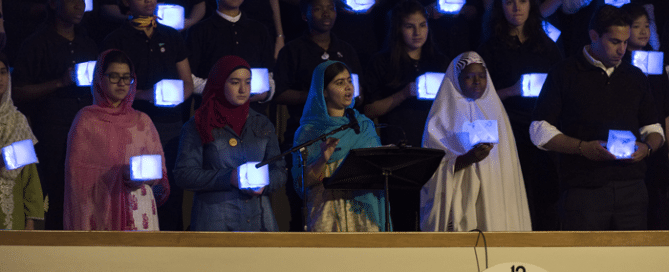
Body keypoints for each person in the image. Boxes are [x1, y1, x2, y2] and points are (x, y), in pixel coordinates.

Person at [530, 5, 664, 231]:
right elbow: (539, 130)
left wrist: (647, 148)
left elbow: (654, 128)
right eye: (614, 41)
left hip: (632, 188)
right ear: (594, 36)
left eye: (625, 41)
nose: (622, 49)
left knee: (633, 264)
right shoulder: (564, 72)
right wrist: (582, 147)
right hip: (583, 189)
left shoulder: (635, 76)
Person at [102, 0, 194, 231]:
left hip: (170, 126)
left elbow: (188, 84)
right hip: (131, 125)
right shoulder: (116, 39)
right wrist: (143, 95)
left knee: (171, 193)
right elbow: (107, 85)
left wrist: (175, 95)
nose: (149, 1)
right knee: (135, 192)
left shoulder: (171, 35)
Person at [273, 0, 363, 231]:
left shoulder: (348, 49)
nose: (326, 13)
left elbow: (358, 93)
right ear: (305, 15)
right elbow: (280, 93)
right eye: (318, 8)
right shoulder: (292, 51)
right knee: (302, 211)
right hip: (305, 133)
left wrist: (340, 95)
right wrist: (318, 96)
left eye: (331, 8)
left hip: (346, 130)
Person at [420, 51, 531, 232]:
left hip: (494, 192)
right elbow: (432, 168)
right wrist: (466, 159)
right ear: (456, 79)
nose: (477, 81)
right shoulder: (441, 117)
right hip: (462, 197)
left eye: (481, 76)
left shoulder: (496, 111)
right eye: (469, 77)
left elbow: (507, 164)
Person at [11, 0, 98, 230]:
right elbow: (16, 92)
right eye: (72, 1)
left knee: (84, 194)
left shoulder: (88, 43)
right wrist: (59, 82)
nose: (79, 5)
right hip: (52, 134)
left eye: (82, 1)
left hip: (87, 132)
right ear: (53, 4)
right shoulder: (36, 43)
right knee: (55, 193)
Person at [363, 0, 449, 231]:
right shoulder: (382, 62)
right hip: (398, 152)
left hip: (434, 149)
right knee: (401, 217)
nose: (417, 32)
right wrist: (403, 94)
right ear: (398, 29)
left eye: (422, 25)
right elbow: (368, 110)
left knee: (433, 217)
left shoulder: (439, 62)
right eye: (410, 26)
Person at [477, 0, 562, 231]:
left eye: (523, 1)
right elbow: (477, 98)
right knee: (514, 192)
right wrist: (512, 90)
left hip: (542, 128)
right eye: (510, 2)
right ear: (500, 6)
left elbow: (562, 88)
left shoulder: (546, 46)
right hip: (508, 130)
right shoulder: (490, 48)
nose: (517, 7)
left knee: (545, 195)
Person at [174, 55, 286, 231]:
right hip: (216, 222)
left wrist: (265, 183)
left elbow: (279, 169)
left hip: (259, 221)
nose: (243, 89)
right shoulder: (199, 124)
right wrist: (230, 177)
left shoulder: (262, 124)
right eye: (235, 82)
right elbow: (184, 175)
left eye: (248, 82)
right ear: (220, 83)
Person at [64, 49, 170, 230]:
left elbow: (159, 174)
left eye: (126, 77)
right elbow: (77, 180)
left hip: (139, 209)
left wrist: (143, 177)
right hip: (98, 212)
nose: (121, 83)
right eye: (114, 76)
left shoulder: (142, 121)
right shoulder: (86, 120)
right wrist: (118, 176)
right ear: (100, 78)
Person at [292, 60, 388, 232]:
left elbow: (377, 171)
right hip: (327, 219)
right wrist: (323, 158)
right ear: (324, 92)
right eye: (339, 83)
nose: (348, 87)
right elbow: (302, 183)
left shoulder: (364, 125)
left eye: (349, 81)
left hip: (364, 219)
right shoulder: (308, 132)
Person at [621, 2, 669, 230]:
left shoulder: (655, 58)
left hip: (657, 141)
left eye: (646, 26)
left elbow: (665, 105)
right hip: (630, 137)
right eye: (636, 26)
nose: (643, 31)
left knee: (657, 199)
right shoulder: (618, 62)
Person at [186, 0, 275, 114]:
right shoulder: (199, 31)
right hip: (212, 114)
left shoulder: (259, 30)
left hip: (253, 114)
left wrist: (266, 93)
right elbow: (189, 79)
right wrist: (225, 90)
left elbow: (270, 75)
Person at [0, 53, 45, 230]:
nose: (0, 79)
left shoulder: (17, 121)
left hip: (13, 208)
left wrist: (31, 219)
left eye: (3, 72)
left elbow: (29, 174)